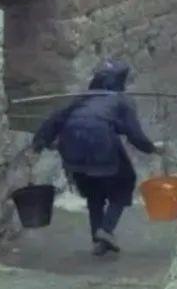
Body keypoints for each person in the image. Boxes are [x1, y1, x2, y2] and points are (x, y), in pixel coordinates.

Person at [29, 60, 161, 256]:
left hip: (72, 148)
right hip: (101, 145)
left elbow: (55, 119)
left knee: (94, 191)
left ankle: (99, 241)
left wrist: (39, 143)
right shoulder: (122, 101)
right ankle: (105, 230)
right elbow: (134, 135)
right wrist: (152, 149)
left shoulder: (82, 99)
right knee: (124, 182)